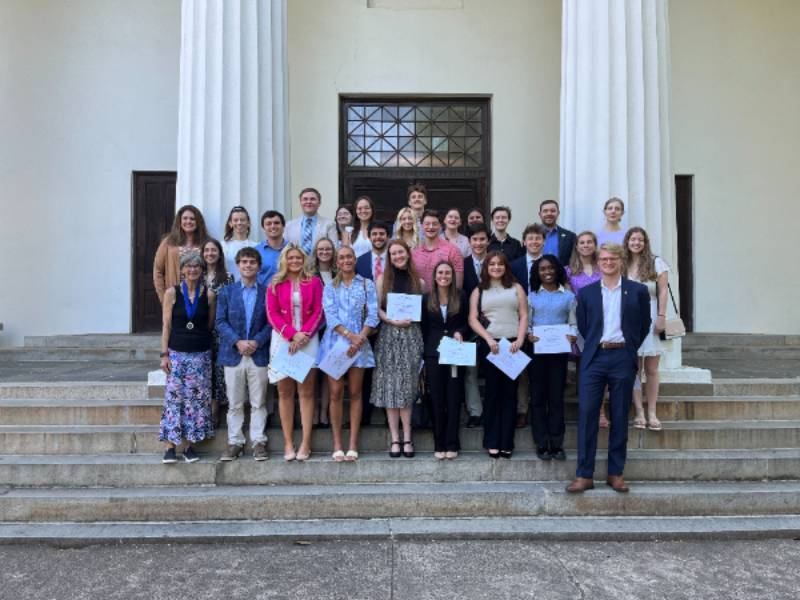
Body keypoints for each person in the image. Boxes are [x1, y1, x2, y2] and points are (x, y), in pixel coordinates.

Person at [567, 243, 650, 494]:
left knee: (620, 415)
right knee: (588, 413)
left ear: (621, 261)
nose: (608, 262)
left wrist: (629, 348)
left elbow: (643, 324)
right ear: (599, 261)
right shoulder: (588, 293)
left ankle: (616, 473)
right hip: (594, 357)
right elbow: (583, 325)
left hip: (622, 357)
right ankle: (584, 474)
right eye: (603, 259)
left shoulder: (638, 291)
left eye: (613, 258)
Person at [318, 246, 379, 461]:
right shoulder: (329, 287)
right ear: (336, 261)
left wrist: (359, 338)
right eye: (342, 257)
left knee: (355, 393)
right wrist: (350, 337)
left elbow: (372, 314)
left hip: (360, 344)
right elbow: (331, 316)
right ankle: (337, 444)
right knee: (335, 393)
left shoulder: (366, 284)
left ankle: (353, 443)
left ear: (355, 259)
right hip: (336, 344)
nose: (346, 260)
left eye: (349, 256)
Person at [266, 244, 324, 461]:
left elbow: (319, 311)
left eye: (298, 258)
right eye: (290, 258)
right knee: (284, 392)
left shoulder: (314, 282)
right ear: (284, 260)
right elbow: (271, 314)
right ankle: (288, 443)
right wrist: (291, 335)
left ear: (304, 260)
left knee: (307, 393)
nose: (295, 261)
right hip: (283, 341)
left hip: (308, 340)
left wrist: (303, 335)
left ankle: (306, 443)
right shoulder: (275, 283)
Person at [468, 251, 528, 459]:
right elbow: (473, 319)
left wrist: (520, 340)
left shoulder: (516, 288)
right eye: (492, 264)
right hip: (492, 346)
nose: (496, 267)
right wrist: (487, 338)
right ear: (486, 267)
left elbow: (524, 315)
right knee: (493, 394)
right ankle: (492, 440)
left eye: (499, 264)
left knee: (510, 395)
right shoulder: (479, 290)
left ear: (505, 267)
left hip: (512, 345)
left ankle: (506, 442)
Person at [158, 251, 216, 464]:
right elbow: (166, 325)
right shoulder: (172, 293)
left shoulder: (209, 295)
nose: (192, 270)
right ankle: (170, 446)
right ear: (182, 270)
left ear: (202, 270)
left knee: (196, 401)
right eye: (188, 266)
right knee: (174, 399)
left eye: (197, 267)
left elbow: (209, 325)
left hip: (200, 356)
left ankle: (189, 446)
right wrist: (164, 354)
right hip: (177, 353)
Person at [215, 247, 271, 461]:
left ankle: (258, 442)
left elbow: (271, 322)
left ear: (258, 266)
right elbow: (220, 321)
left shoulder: (267, 292)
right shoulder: (227, 292)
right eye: (244, 262)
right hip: (233, 354)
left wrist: (257, 341)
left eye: (252, 262)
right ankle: (235, 442)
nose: (248, 265)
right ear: (238, 266)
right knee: (235, 403)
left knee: (258, 402)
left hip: (258, 353)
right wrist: (237, 341)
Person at [372, 239, 424, 459]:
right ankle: (395, 438)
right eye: (393, 254)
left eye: (400, 252)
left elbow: (423, 313)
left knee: (407, 388)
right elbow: (378, 311)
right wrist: (392, 320)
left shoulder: (419, 282)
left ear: (407, 254)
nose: (398, 257)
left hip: (412, 337)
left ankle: (408, 437)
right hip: (389, 337)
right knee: (390, 389)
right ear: (389, 258)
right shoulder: (382, 280)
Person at [526, 255, 577, 461]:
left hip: (558, 353)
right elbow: (527, 323)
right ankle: (541, 442)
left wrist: (573, 334)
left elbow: (572, 322)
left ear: (557, 270)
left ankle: (556, 442)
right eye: (542, 269)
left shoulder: (568, 296)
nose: (547, 272)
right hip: (537, 351)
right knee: (538, 397)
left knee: (556, 398)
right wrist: (529, 334)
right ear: (537, 273)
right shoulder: (531, 296)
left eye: (550, 268)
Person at [623, 227, 669, 431]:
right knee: (634, 368)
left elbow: (663, 291)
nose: (636, 243)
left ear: (645, 242)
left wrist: (661, 317)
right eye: (633, 239)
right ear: (627, 241)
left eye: (640, 240)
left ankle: (652, 411)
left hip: (651, 316)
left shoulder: (656, 262)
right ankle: (639, 412)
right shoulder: (622, 264)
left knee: (651, 369)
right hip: (629, 320)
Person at [421, 261, 468, 460]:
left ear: (452, 275)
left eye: (447, 272)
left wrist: (460, 331)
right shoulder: (426, 299)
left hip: (456, 352)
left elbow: (467, 322)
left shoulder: (461, 296)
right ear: (434, 275)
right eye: (440, 272)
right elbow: (423, 327)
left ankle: (452, 442)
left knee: (454, 398)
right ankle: (439, 443)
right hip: (434, 353)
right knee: (437, 399)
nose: (444, 276)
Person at [566, 231, 607, 428]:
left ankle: (600, 411)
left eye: (589, 242)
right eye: (581, 242)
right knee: (584, 369)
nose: (585, 245)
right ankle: (586, 410)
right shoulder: (568, 271)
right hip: (580, 324)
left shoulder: (603, 268)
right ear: (576, 246)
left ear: (595, 245)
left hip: (603, 323)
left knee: (600, 369)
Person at [510, 223, 547, 428]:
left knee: (540, 369)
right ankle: (522, 410)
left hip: (545, 324)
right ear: (524, 241)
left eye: (538, 238)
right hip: (519, 322)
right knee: (521, 369)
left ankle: (540, 407)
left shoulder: (551, 264)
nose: (534, 242)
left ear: (543, 241)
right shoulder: (513, 265)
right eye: (530, 238)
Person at [354, 220, 390, 426]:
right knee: (366, 370)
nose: (378, 237)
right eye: (374, 234)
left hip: (390, 322)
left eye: (381, 234)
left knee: (386, 368)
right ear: (370, 237)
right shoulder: (360, 261)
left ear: (387, 236)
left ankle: (387, 411)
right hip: (366, 324)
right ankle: (365, 413)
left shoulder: (395, 259)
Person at [202, 239, 234, 426]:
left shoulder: (228, 277)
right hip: (199, 329)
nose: (210, 254)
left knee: (219, 370)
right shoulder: (195, 274)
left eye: (214, 250)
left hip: (220, 330)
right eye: (206, 250)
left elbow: (231, 304)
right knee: (205, 369)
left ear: (220, 254)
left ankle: (216, 408)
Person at [462, 223, 491, 428]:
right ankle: (475, 412)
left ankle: (491, 408)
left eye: (482, 239)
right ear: (469, 242)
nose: (478, 243)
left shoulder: (497, 262)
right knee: (470, 371)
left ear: (488, 241)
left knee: (492, 369)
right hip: (469, 324)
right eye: (475, 239)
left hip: (496, 325)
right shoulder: (461, 264)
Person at [307, 237, 337, 429]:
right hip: (313, 328)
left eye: (328, 249)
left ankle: (324, 412)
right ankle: (314, 411)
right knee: (313, 372)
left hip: (333, 328)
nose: (324, 252)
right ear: (316, 252)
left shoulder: (339, 273)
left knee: (328, 372)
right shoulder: (309, 274)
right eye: (321, 249)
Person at [153, 205, 209, 302]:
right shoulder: (168, 242)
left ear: (198, 222)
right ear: (179, 221)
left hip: (200, 297)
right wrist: (164, 298)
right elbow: (158, 271)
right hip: (175, 298)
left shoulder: (206, 242)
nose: (188, 221)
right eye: (185, 218)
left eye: (192, 219)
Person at [412, 210, 464, 292]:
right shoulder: (414, 253)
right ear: (421, 226)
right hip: (420, 302)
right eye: (427, 224)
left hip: (444, 302)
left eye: (435, 224)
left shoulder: (453, 251)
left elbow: (458, 286)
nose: (431, 227)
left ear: (440, 226)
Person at [285, 187, 336, 255]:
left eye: (313, 199)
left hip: (320, 265)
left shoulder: (329, 224)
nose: (309, 202)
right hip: (296, 264)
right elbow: (285, 250)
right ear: (300, 202)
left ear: (319, 203)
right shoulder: (289, 225)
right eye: (305, 199)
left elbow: (334, 249)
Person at [222, 206, 257, 281]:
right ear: (230, 223)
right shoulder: (223, 246)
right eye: (235, 220)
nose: (239, 222)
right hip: (229, 289)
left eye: (242, 220)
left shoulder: (256, 246)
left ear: (248, 223)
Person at [538, 199, 577, 267]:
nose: (549, 213)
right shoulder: (530, 236)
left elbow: (575, 260)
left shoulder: (570, 236)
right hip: (536, 275)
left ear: (558, 213)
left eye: (553, 211)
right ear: (540, 214)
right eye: (545, 211)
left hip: (562, 276)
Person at [256, 210, 288, 287]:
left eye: (276, 223)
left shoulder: (293, 249)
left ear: (283, 226)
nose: (273, 226)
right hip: (264, 296)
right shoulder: (256, 251)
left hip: (288, 296)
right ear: (263, 228)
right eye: (268, 224)